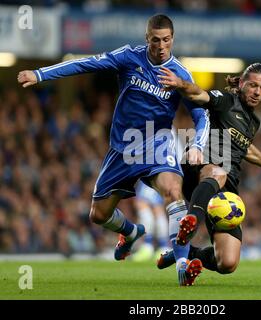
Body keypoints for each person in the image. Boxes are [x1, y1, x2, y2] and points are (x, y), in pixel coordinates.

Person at [17, 14, 210, 286]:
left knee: (173, 192)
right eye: (155, 40)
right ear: (147, 39)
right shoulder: (129, 57)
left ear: (173, 39)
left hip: (158, 144)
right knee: (98, 215)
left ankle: (182, 265)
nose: (161, 46)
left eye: (166, 40)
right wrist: (40, 74)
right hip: (123, 148)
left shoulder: (181, 74)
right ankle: (131, 232)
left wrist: (197, 145)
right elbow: (85, 64)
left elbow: (202, 114)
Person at [156, 63, 261, 274]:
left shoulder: (253, 122)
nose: (257, 92)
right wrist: (180, 84)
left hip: (226, 189)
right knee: (218, 172)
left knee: (227, 263)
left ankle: (186, 252)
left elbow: (245, 149)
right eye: (253, 85)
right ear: (241, 83)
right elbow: (198, 94)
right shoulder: (225, 100)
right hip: (199, 167)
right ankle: (191, 221)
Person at [131, 180, 170, 262]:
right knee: (157, 209)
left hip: (149, 172)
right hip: (161, 173)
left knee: (145, 205)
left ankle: (148, 247)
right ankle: (163, 247)